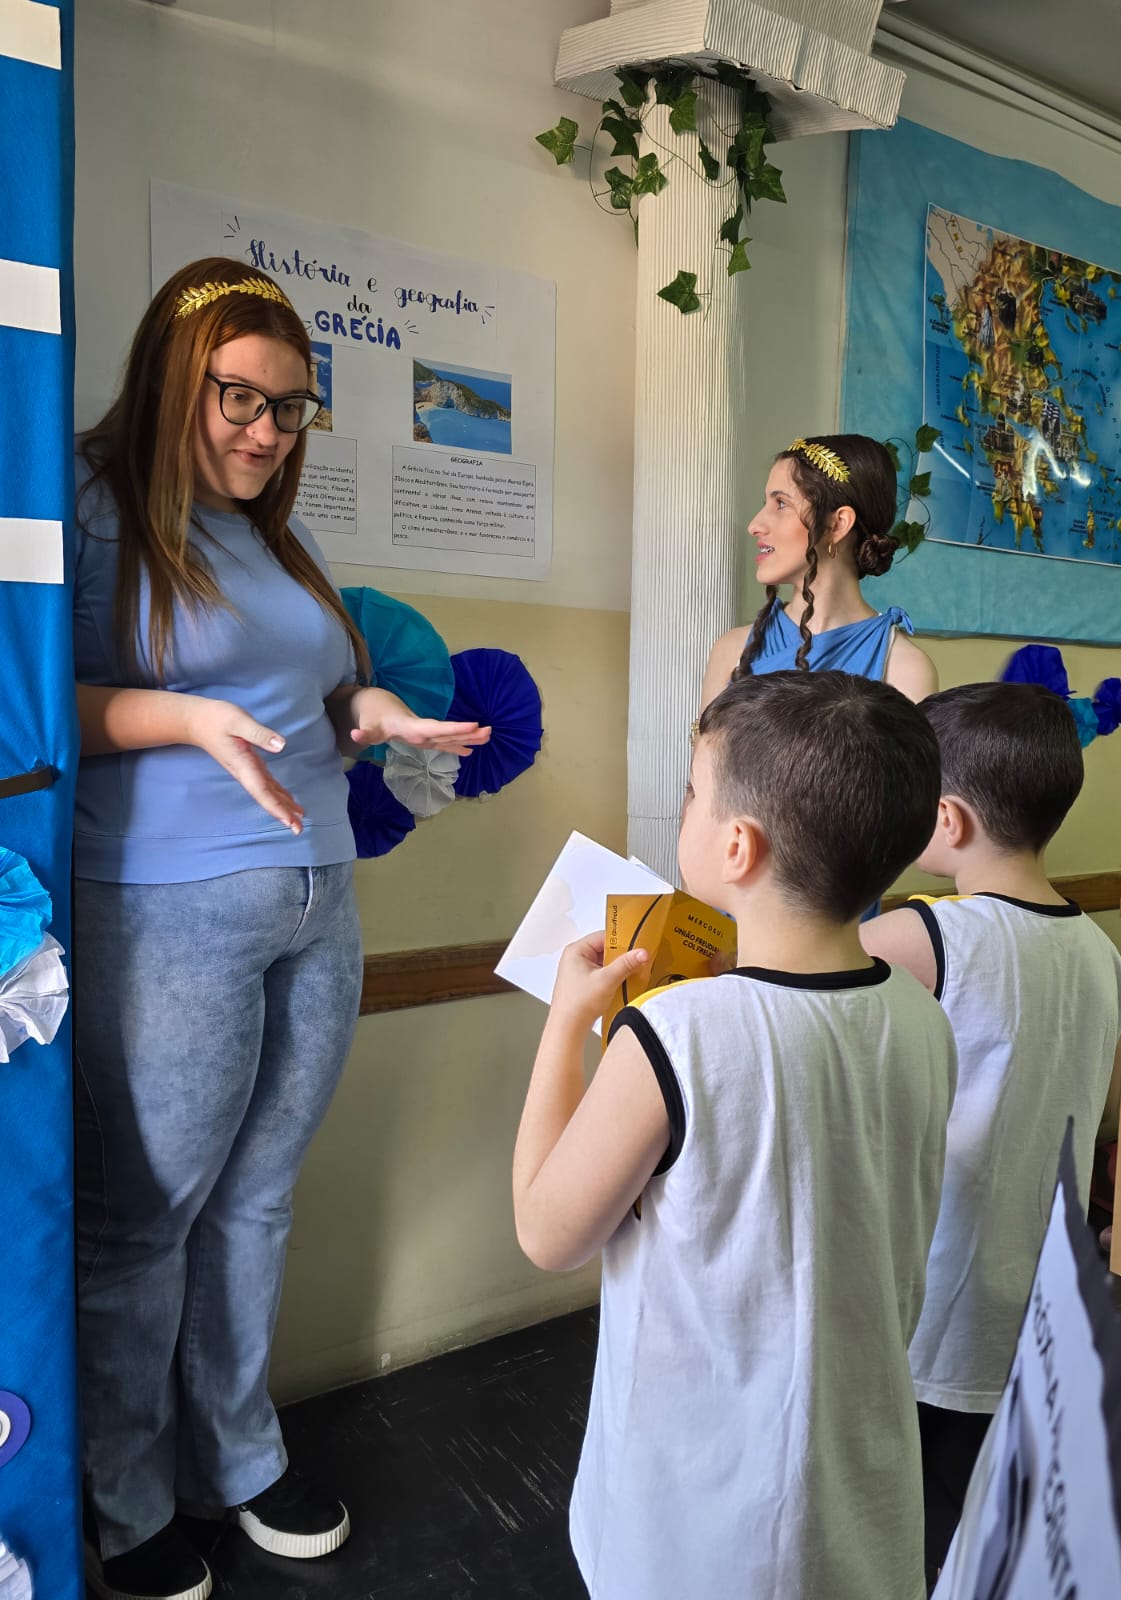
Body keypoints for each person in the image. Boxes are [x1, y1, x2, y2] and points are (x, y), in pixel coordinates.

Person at [73, 257, 489, 1600]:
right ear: (171, 380)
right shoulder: (91, 507)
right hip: (167, 908)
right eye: (237, 398)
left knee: (255, 1202)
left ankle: (237, 1460)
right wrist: (182, 718)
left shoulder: (272, 535)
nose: (263, 431)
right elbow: (36, 707)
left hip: (319, 899)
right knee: (146, 1223)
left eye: (289, 406)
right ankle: (128, 1500)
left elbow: (318, 695)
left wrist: (375, 712)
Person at [513, 670, 957, 1599]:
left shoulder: (674, 1031)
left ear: (737, 846)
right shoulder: (922, 1011)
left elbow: (549, 1233)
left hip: (699, 1511)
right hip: (857, 1482)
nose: (683, 808)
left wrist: (565, 1022)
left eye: (691, 793)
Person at [860, 682, 1121, 1591]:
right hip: (1045, 1295)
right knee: (991, 1518)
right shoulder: (1102, 954)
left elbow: (787, 983)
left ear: (947, 818)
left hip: (939, 1303)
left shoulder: (927, 934)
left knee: (914, 1526)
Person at [700, 433, 937, 710]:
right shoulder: (731, 649)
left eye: (781, 503)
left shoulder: (904, 669)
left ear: (838, 524)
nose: (755, 525)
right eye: (766, 503)